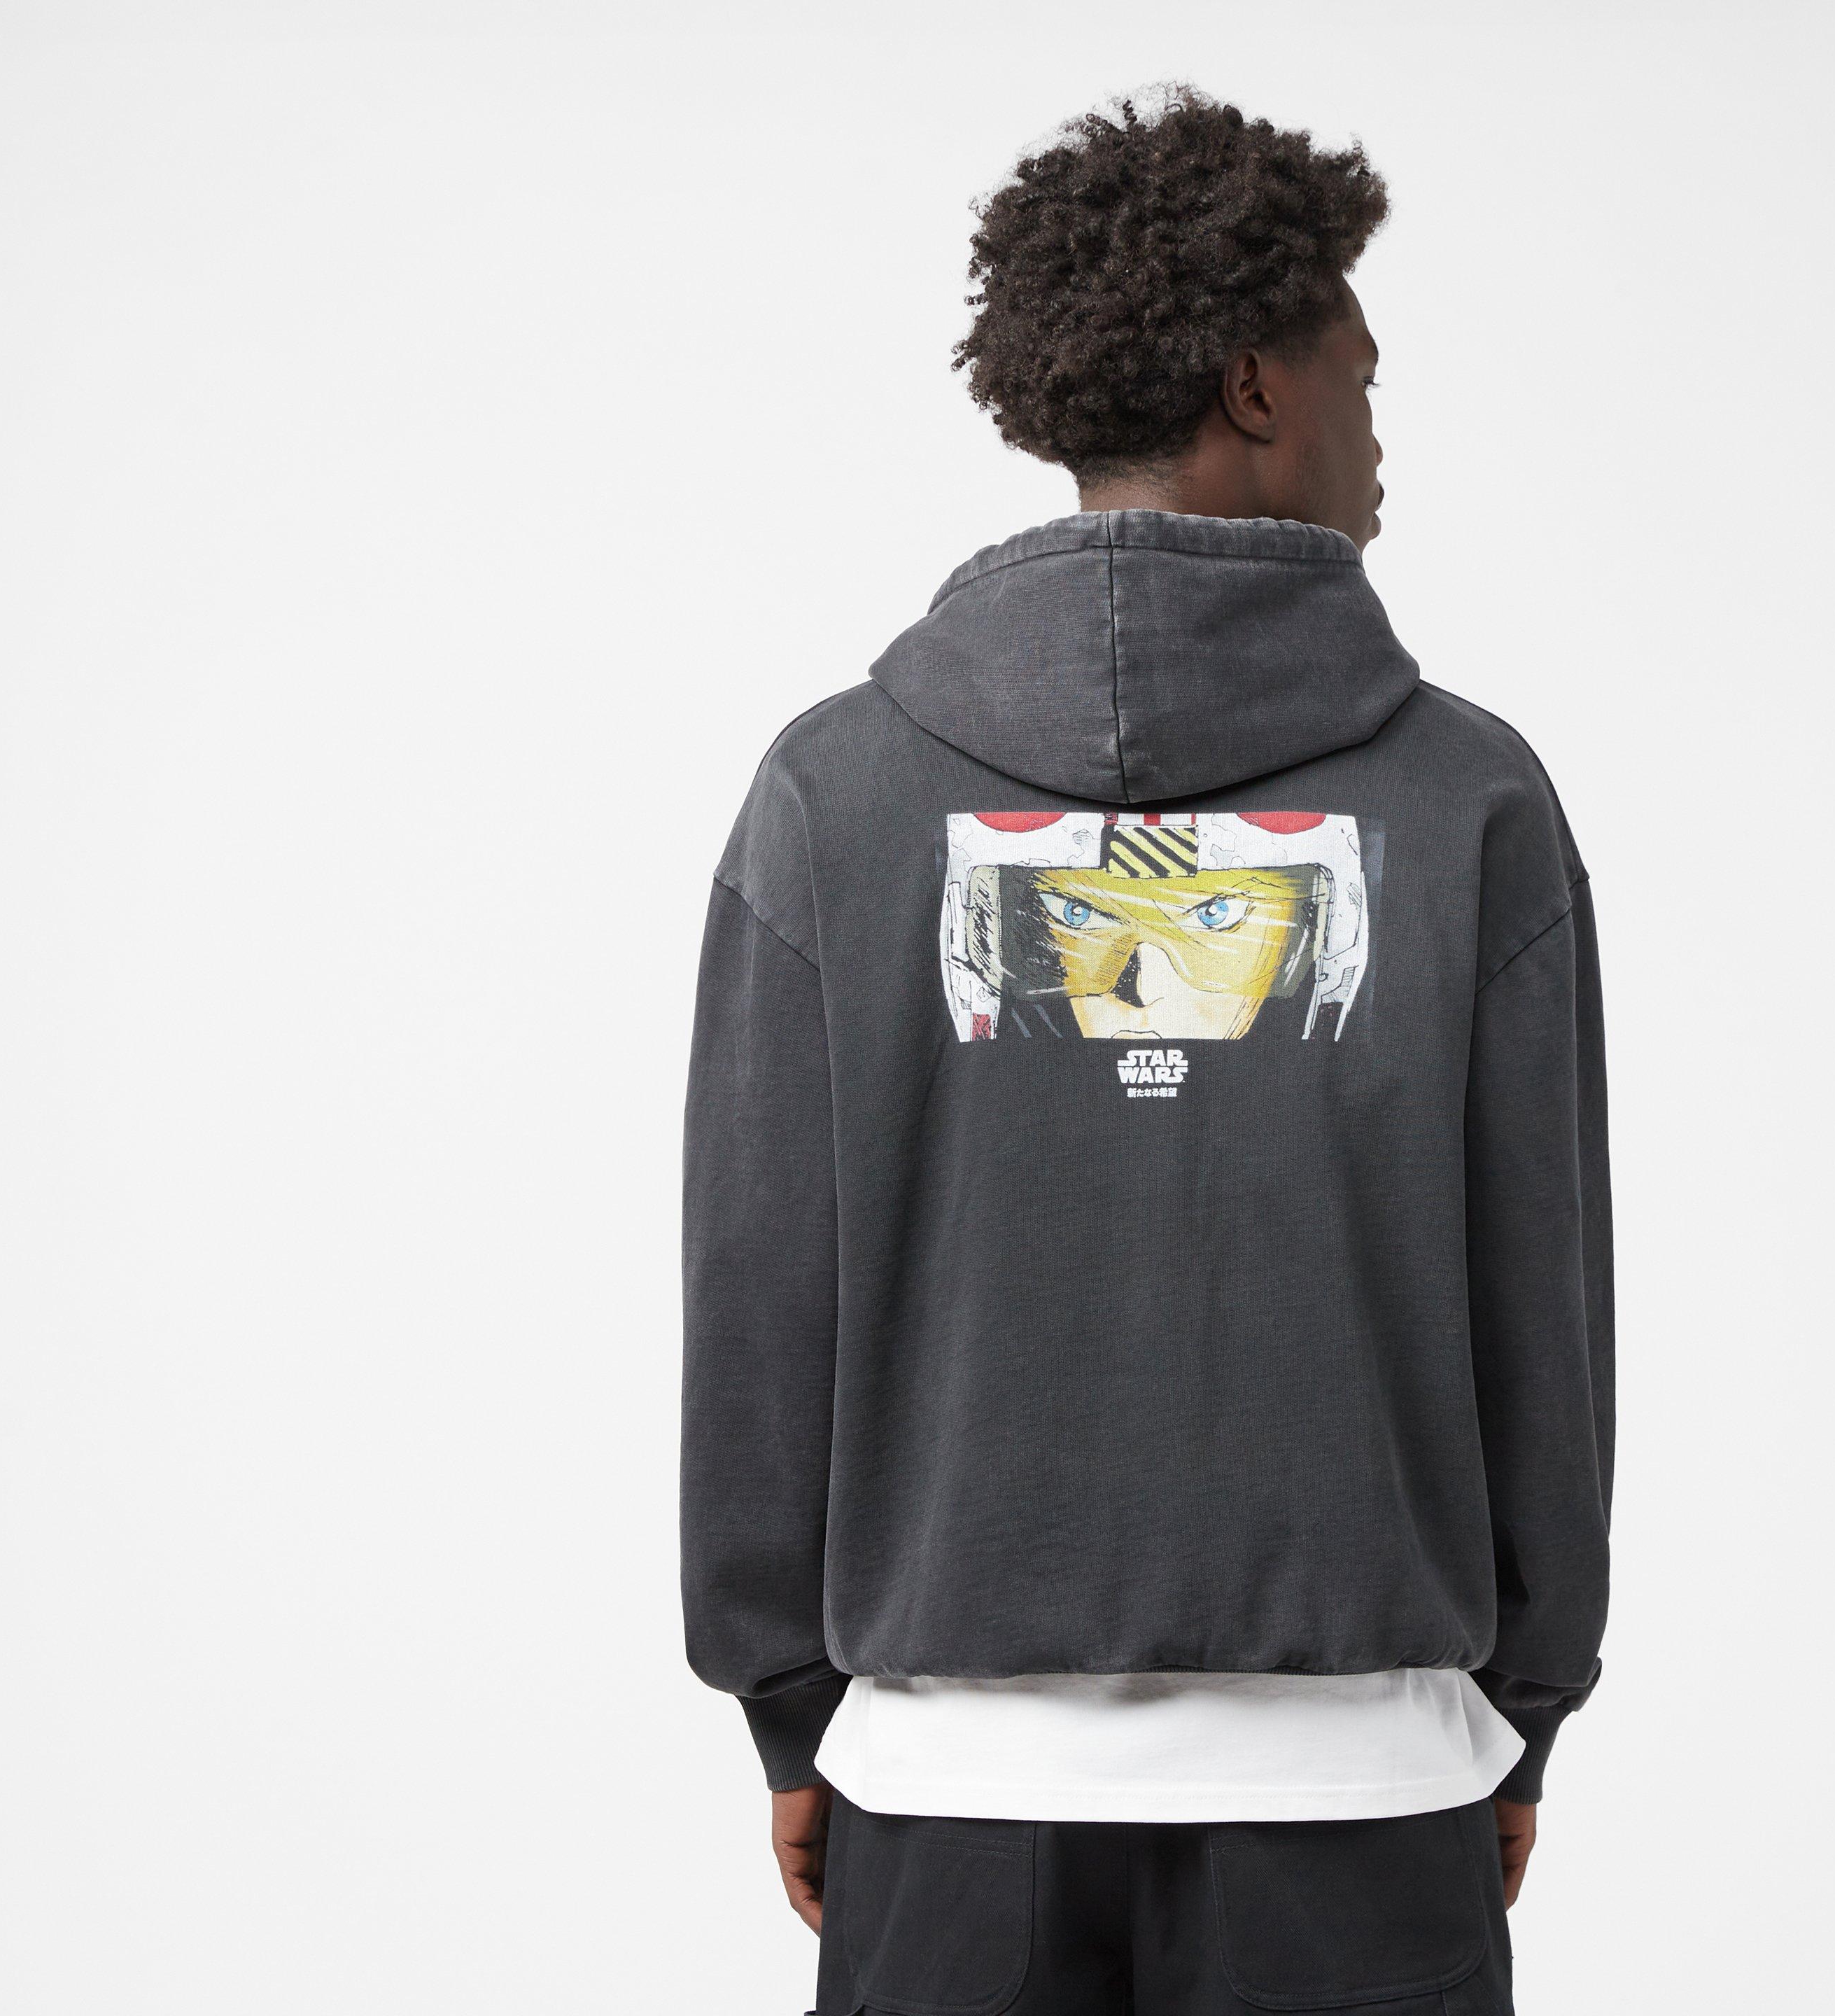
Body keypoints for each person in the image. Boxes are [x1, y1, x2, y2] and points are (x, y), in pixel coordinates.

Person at [682, 85, 1614, 2014]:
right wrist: (1523, 1702)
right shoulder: (1468, 805)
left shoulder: (834, 798)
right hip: (1365, 1808)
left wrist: (789, 1703)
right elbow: (1547, 1304)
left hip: (948, 1809)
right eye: (1362, 374)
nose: (1380, 430)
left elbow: (760, 1296)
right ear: (1259, 384)